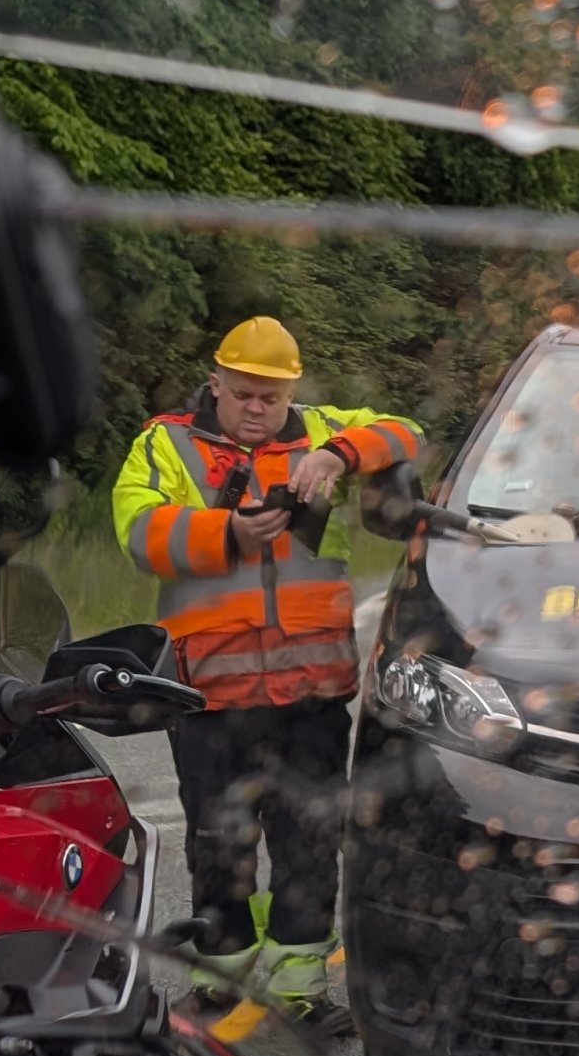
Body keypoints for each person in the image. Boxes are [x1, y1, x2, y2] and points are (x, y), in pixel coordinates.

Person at [113, 316, 420, 1009]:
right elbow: (137, 531)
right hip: (209, 695)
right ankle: (218, 985)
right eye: (244, 394)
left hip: (311, 693)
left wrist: (338, 456)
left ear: (291, 392)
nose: (257, 409)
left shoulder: (321, 430)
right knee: (217, 845)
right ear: (216, 382)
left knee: (309, 842)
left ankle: (300, 991)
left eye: (271, 398)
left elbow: (406, 431)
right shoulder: (166, 442)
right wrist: (227, 532)